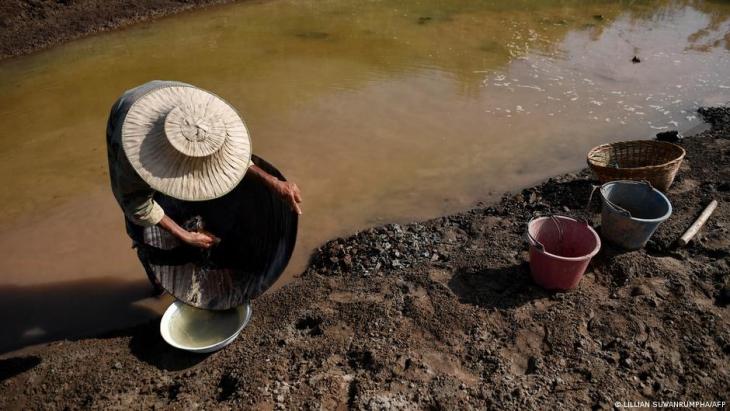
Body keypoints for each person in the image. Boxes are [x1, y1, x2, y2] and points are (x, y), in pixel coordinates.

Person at [106, 80, 302, 292]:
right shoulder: (130, 155)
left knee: (199, 178)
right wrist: (185, 235)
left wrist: (273, 182)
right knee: (142, 230)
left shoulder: (207, 119)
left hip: (172, 101)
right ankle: (157, 281)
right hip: (129, 114)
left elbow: (231, 158)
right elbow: (137, 206)